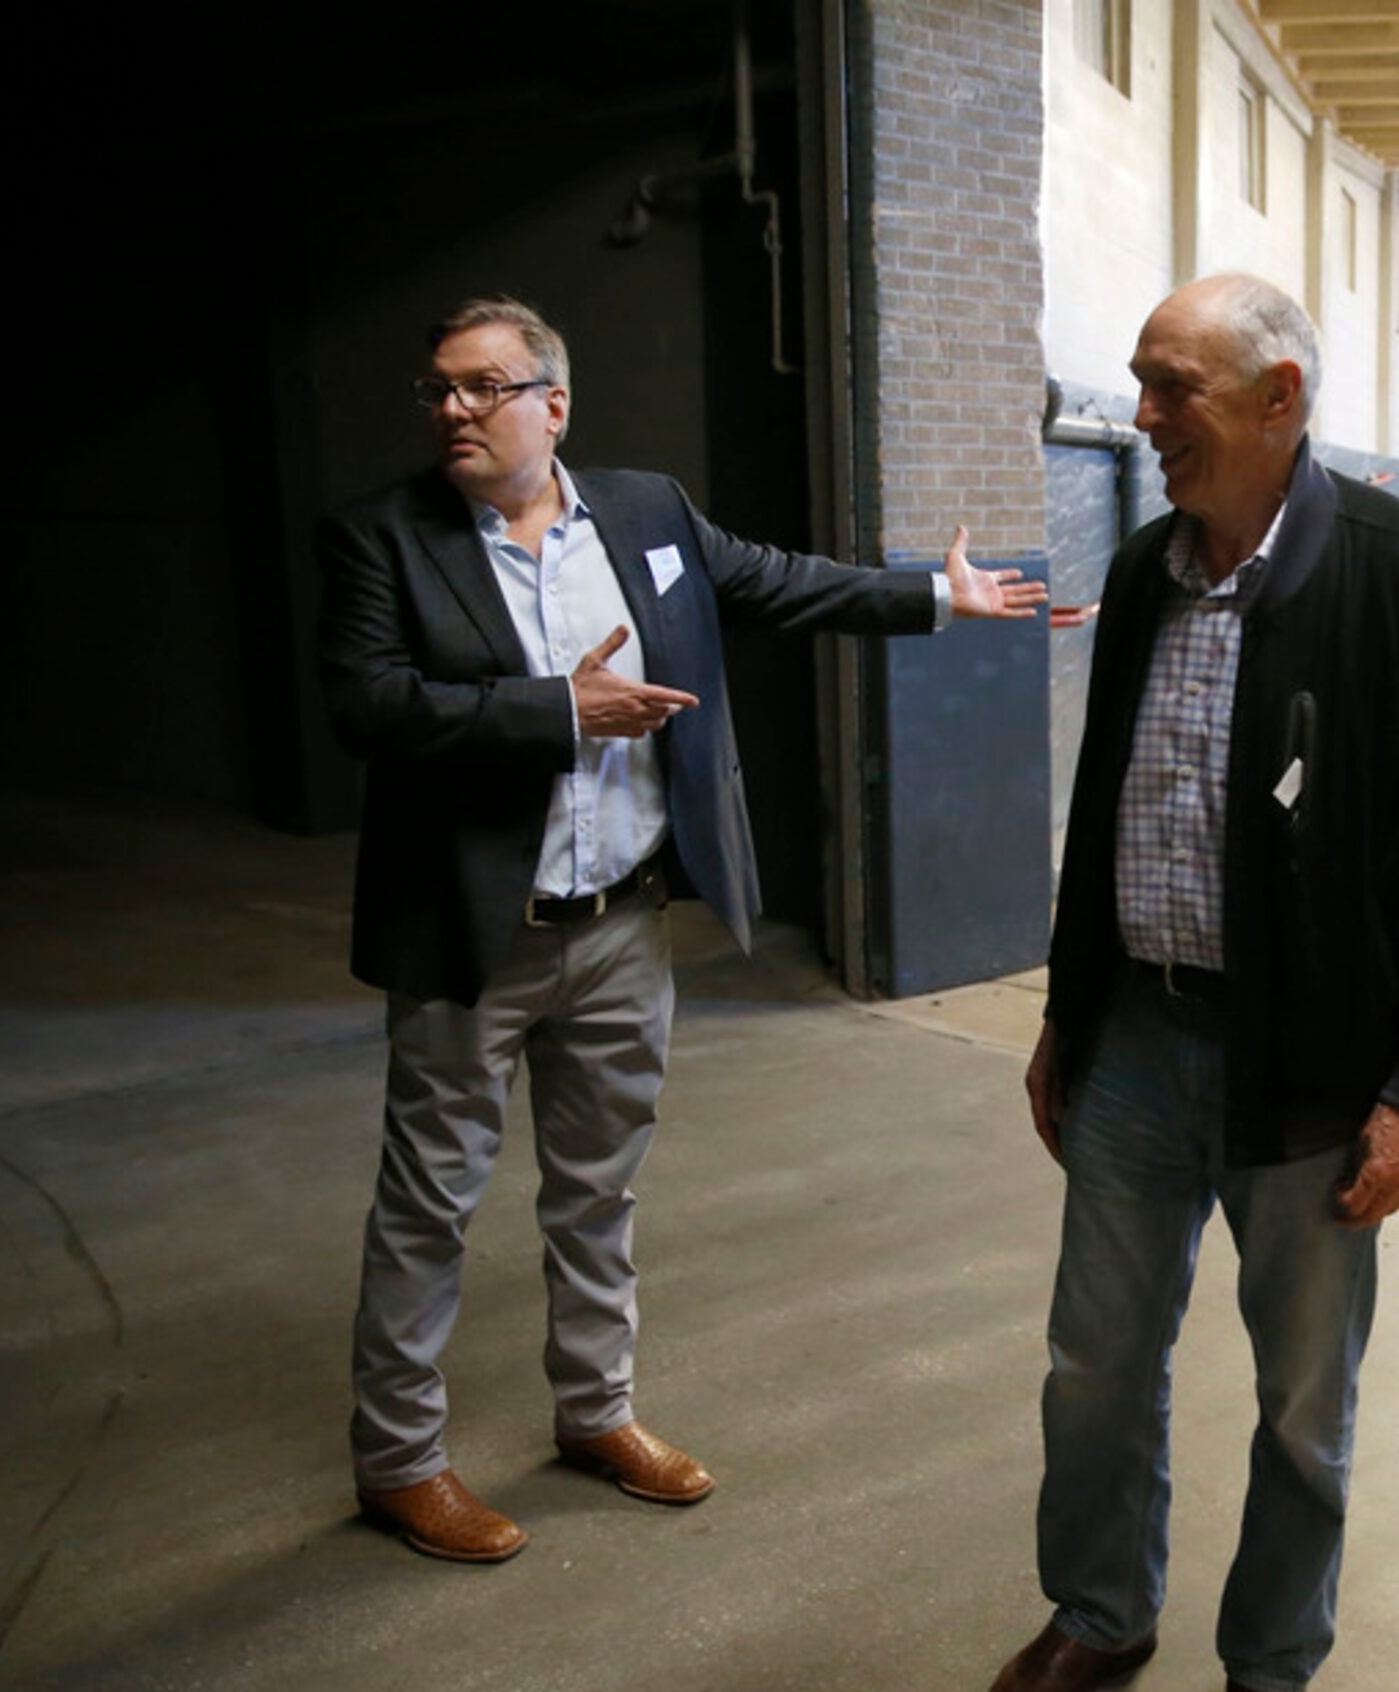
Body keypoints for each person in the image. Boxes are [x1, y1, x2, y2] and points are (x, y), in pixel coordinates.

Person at [320, 296, 1069, 1564]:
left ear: (552, 404)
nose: (452, 409)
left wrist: (929, 600)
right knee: (428, 1204)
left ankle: (596, 1414)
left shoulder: (647, 511)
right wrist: (561, 712)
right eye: (438, 390)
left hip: (620, 927)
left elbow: (773, 581)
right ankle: (399, 1463)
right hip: (472, 930)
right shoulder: (382, 538)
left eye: (482, 387)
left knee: (599, 1189)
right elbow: (371, 707)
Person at [972, 274, 1399, 1692]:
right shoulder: (1151, 570)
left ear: (1279, 399)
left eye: (1172, 389)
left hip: (1313, 1073)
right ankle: (1098, 1615)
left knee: (1300, 1400)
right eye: (1141, 386)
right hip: (1140, 1040)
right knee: (1094, 1364)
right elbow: (1111, 813)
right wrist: (1070, 1011)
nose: (1140, 419)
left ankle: (1273, 1665)